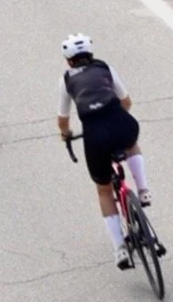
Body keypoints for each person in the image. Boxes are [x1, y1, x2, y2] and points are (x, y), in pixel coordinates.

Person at [56, 33, 151, 267]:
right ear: (91, 54)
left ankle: (120, 248)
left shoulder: (66, 80)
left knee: (104, 190)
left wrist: (66, 135)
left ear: (68, 61)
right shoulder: (105, 67)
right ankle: (143, 189)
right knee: (131, 144)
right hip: (119, 123)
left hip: (95, 137)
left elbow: (63, 119)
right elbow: (126, 101)